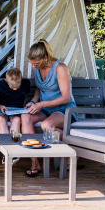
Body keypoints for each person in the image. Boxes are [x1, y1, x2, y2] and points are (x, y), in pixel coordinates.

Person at [21, 39, 78, 177]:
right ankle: (35, 162)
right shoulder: (37, 69)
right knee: (25, 116)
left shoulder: (60, 68)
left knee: (47, 125)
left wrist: (41, 104)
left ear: (45, 58)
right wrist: (33, 102)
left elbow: (65, 97)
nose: (33, 67)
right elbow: (40, 89)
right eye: (32, 63)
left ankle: (76, 147)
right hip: (46, 109)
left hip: (64, 109)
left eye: (36, 63)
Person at [0, 67, 31, 134]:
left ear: (22, 79)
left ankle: (14, 142)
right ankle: (5, 143)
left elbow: (24, 98)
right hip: (1, 111)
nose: (15, 89)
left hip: (16, 111)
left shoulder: (26, 83)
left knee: (16, 119)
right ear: (6, 80)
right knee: (1, 119)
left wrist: (24, 108)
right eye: (12, 86)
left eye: (17, 86)